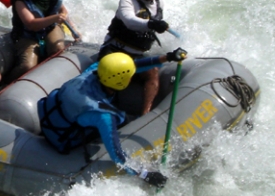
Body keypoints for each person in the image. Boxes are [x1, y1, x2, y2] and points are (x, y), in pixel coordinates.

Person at [38, 51, 186, 188]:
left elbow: (134, 66)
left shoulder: (93, 71)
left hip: (53, 118)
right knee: (125, 120)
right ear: (122, 82)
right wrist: (145, 174)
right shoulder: (103, 116)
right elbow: (117, 156)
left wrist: (167, 58)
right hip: (65, 139)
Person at [99, 0, 169, 116]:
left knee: (153, 73)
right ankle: (103, 108)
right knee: (110, 77)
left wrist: (159, 25)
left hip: (136, 56)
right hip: (115, 51)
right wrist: (151, 23)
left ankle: (145, 114)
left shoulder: (159, 3)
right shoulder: (127, 2)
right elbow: (129, 21)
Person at [6, 0, 78, 83]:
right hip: (27, 35)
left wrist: (73, 28)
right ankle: (5, 84)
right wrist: (55, 18)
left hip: (50, 28)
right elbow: (31, 24)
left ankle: (51, 80)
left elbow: (62, 9)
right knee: (27, 66)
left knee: (58, 49)